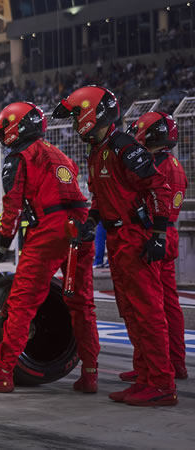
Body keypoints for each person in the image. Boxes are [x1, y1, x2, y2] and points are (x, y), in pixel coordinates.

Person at [53, 87, 175, 406]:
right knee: (132, 313)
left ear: (93, 114)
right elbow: (100, 197)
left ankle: (161, 384)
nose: (75, 121)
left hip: (135, 238)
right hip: (118, 240)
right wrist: (90, 224)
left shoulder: (123, 146)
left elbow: (158, 187)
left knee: (147, 312)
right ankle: (146, 378)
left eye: (77, 114)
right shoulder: (99, 150)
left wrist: (158, 235)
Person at [0, 101, 100, 394]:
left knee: (22, 302)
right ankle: (90, 374)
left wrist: (0, 244)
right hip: (80, 227)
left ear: (13, 129)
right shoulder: (60, 155)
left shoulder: (19, 157)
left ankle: (3, 373)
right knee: (82, 305)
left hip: (50, 230)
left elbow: (12, 207)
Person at [123, 112, 188, 381]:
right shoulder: (174, 163)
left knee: (153, 305)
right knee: (169, 302)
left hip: (156, 234)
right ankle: (175, 363)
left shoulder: (158, 164)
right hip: (168, 234)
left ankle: (155, 367)